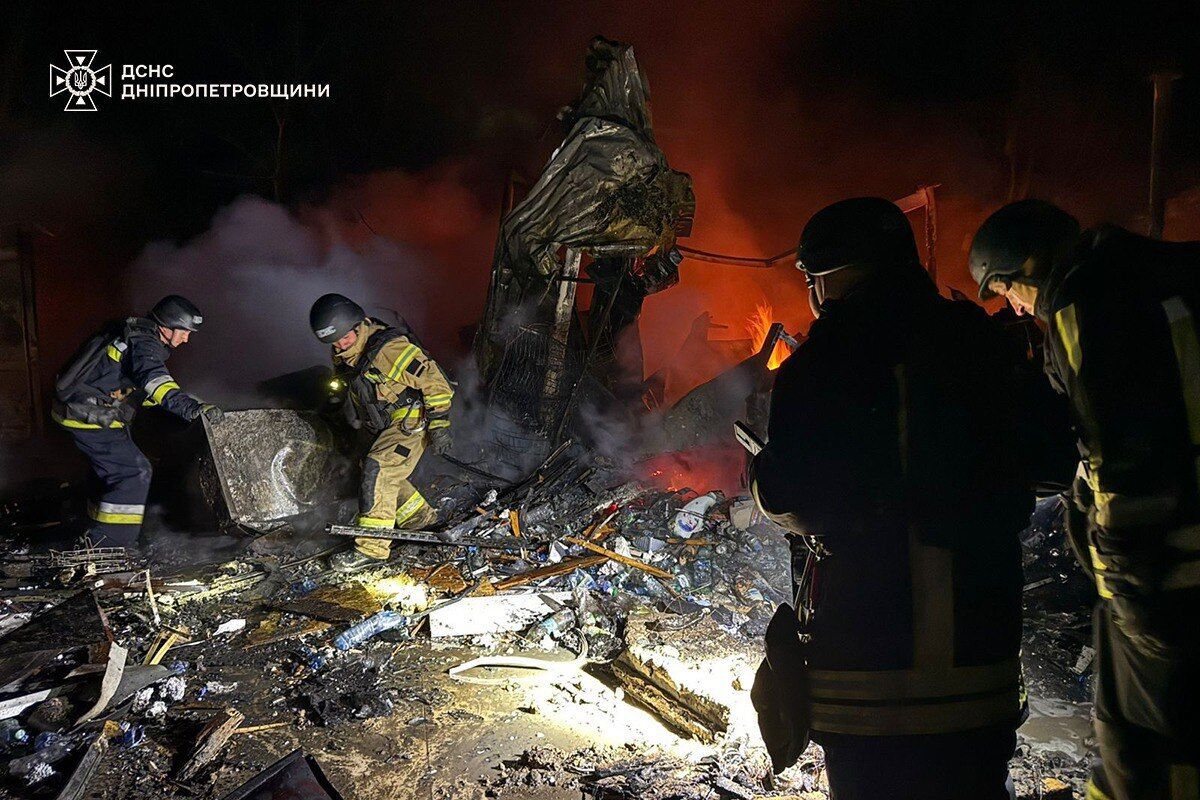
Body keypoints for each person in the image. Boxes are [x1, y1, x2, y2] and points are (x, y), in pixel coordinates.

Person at [750, 197, 1031, 799]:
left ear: (833, 275)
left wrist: (760, 472)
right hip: (981, 666)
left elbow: (789, 498)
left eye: (812, 279)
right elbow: (1045, 462)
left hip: (867, 683)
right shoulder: (983, 345)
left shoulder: (819, 365)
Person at [970, 199, 1200, 800]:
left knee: (1143, 747)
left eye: (1006, 291)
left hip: (1167, 568)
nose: (1015, 308)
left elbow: (1123, 450)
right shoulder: (1154, 273)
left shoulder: (1086, 304)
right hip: (1178, 554)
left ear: (1027, 267)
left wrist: (1126, 579)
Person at [53, 295, 222, 550]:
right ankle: (110, 547)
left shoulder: (135, 333)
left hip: (83, 408)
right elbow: (156, 383)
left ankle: (93, 528)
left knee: (109, 473)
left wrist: (178, 406)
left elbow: (134, 385)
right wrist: (192, 409)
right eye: (184, 332)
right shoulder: (144, 343)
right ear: (167, 326)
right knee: (134, 473)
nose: (186, 339)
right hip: (88, 415)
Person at [309, 294, 454, 573]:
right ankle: (421, 519)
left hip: (410, 420)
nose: (341, 346)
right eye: (334, 343)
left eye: (345, 339)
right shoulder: (345, 354)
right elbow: (350, 386)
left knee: (380, 468)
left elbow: (436, 383)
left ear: (358, 326)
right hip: (382, 425)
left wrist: (439, 425)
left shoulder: (389, 350)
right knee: (372, 470)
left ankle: (372, 549)